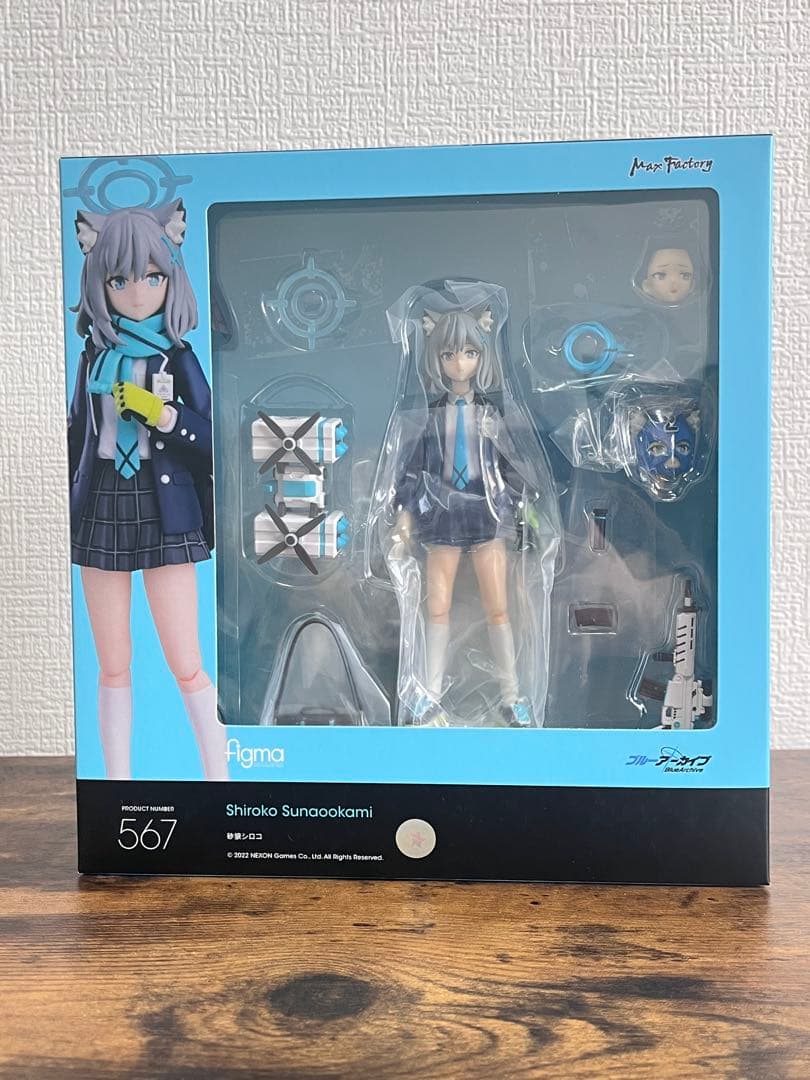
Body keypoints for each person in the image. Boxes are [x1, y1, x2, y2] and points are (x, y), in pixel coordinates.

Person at [68, 199, 227, 779]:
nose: (137, 293)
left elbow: (212, 438)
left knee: (186, 662)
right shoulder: (93, 359)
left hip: (166, 505)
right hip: (103, 502)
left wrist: (164, 416)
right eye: (119, 280)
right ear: (99, 282)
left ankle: (220, 780)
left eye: (152, 276)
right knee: (112, 664)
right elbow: (78, 433)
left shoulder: (177, 358)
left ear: (171, 278)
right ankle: (114, 786)